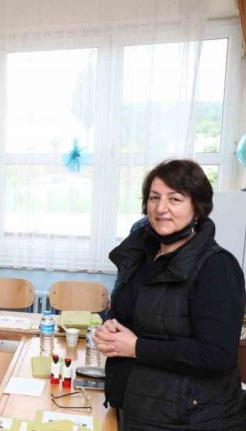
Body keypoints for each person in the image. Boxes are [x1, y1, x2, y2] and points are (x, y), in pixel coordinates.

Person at [95, 159, 245, 431]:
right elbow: (130, 316)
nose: (161, 208)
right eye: (154, 198)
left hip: (190, 420)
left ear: (198, 207)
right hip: (138, 407)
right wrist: (110, 329)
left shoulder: (217, 266)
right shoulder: (141, 256)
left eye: (175, 199)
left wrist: (136, 347)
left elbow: (216, 355)